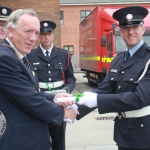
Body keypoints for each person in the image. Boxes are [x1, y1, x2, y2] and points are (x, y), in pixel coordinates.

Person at [0, 9, 77, 150]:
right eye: (28, 31)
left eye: (36, 33)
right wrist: (63, 113)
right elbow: (29, 99)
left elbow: (31, 92)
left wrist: (54, 98)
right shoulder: (5, 58)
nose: (34, 38)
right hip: (20, 140)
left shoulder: (17, 56)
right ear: (10, 31)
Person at [76, 6, 150, 150]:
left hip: (144, 134)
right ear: (120, 32)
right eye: (125, 28)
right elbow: (105, 89)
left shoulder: (148, 59)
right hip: (123, 132)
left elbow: (139, 98)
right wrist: (75, 109)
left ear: (142, 29)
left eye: (135, 26)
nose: (130, 32)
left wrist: (96, 100)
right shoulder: (118, 60)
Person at [27, 20, 76, 150]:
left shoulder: (64, 55)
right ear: (38, 36)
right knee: (40, 139)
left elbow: (71, 78)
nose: (46, 37)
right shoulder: (30, 56)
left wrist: (66, 90)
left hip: (59, 104)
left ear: (53, 35)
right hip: (41, 102)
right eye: (43, 34)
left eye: (49, 33)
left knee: (59, 140)